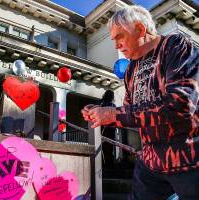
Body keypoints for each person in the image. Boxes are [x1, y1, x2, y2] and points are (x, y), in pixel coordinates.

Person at [82, 5, 199, 200]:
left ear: (140, 29)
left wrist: (114, 114)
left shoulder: (175, 45)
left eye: (120, 36)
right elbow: (129, 112)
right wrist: (103, 113)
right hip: (150, 162)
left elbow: (182, 103)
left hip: (189, 159)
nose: (116, 45)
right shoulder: (130, 70)